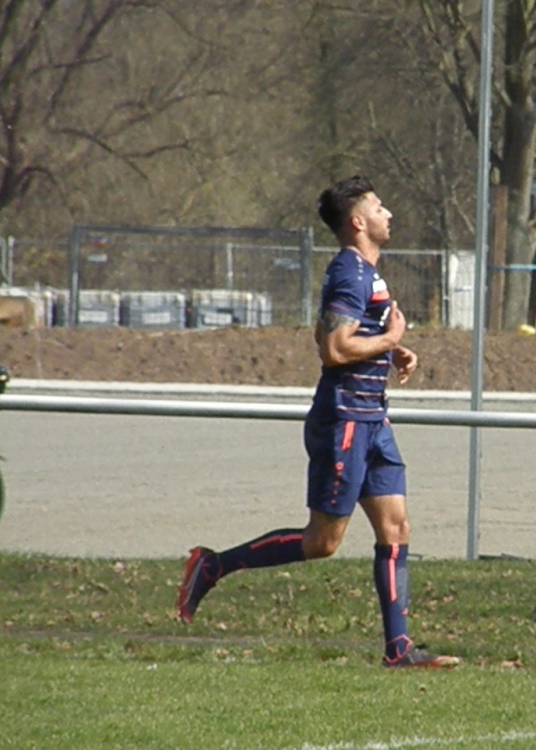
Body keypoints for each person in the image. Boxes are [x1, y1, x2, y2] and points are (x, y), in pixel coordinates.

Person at [177, 174, 459, 669]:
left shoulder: (367, 272)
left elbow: (331, 332)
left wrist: (389, 352)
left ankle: (399, 649)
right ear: (358, 222)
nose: (388, 213)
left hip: (373, 418)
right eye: (378, 207)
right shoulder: (350, 271)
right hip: (344, 420)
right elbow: (333, 349)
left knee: (396, 528)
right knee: (322, 543)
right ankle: (213, 565)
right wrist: (389, 341)